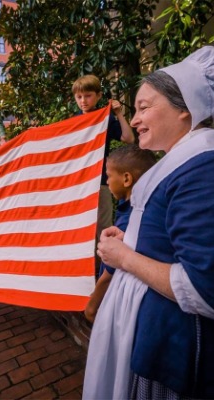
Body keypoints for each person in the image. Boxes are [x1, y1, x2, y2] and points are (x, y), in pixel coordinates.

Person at [83, 46, 214, 399]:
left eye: (143, 107)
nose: (134, 120)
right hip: (161, 338)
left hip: (182, 355)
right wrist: (132, 239)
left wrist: (124, 257)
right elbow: (175, 237)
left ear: (185, 109)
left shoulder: (213, 170)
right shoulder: (183, 163)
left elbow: (205, 290)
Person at [84, 144, 156, 323]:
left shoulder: (127, 220)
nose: (107, 182)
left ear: (126, 179)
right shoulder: (145, 209)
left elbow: (110, 272)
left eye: (108, 176)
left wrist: (92, 306)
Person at [72, 75, 135, 272]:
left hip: (100, 182)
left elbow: (128, 138)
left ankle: (105, 272)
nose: (83, 101)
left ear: (99, 96)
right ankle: (87, 273)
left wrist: (118, 113)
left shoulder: (105, 119)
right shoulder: (73, 122)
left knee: (103, 228)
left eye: (88, 96)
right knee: (81, 230)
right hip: (79, 184)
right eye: (79, 97)